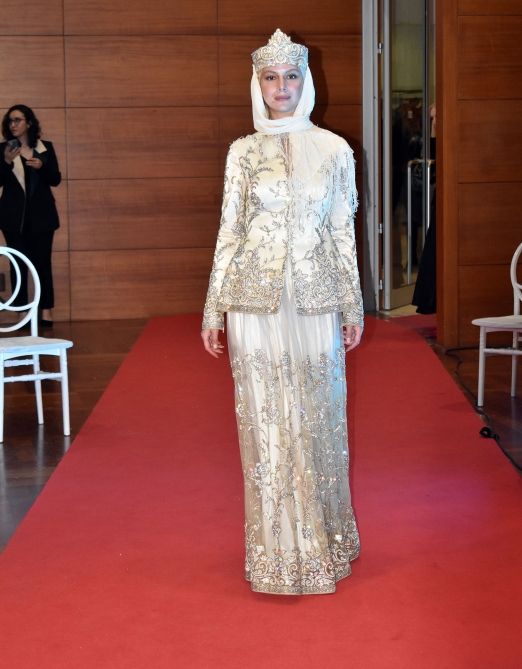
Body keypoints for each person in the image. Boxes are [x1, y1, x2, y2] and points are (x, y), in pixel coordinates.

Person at [201, 30, 364, 595]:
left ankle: (327, 539)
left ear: (305, 81)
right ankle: (277, 551)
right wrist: (214, 308)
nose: (281, 87)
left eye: (291, 76)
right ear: (258, 84)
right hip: (254, 300)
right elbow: (229, 232)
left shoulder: (334, 150)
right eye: (270, 77)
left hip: (316, 298)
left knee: (318, 415)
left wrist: (352, 303)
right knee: (267, 420)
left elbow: (342, 233)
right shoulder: (242, 153)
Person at [0, 104, 62, 326]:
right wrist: (6, 162)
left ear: (29, 123)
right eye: (10, 121)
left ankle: (46, 310)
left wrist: (41, 167)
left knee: (43, 263)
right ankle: (21, 312)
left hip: (42, 217)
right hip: (12, 218)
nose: (13, 124)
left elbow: (55, 179)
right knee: (18, 265)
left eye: (17, 120)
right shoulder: (3, 149)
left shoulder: (45, 148)